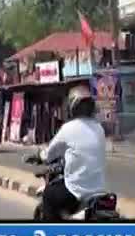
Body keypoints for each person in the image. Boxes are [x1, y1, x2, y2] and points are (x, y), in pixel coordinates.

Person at [36, 85, 107, 221]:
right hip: (99, 191)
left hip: (77, 191)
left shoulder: (68, 128)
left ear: (72, 107)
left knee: (49, 195)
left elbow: (49, 154)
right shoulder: (99, 128)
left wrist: (40, 155)